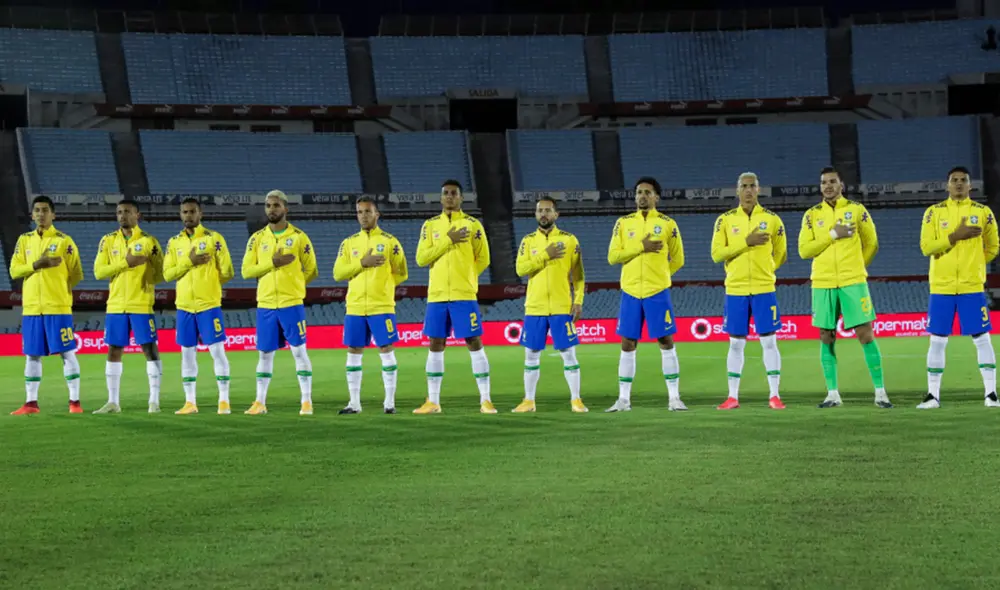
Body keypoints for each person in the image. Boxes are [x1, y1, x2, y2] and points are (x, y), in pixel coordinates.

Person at [799, 166, 892, 409]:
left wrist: (857, 267)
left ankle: (881, 393)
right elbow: (804, 250)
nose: (827, 186)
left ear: (842, 185)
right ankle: (832, 394)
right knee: (826, 336)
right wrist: (832, 234)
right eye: (823, 182)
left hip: (853, 282)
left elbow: (872, 243)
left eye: (832, 181)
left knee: (865, 334)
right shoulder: (811, 215)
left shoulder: (857, 210)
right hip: (823, 282)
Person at [918, 166, 999, 408]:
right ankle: (933, 395)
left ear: (970, 185)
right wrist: (954, 237)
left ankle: (991, 394)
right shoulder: (933, 213)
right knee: (937, 340)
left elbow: (993, 246)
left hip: (971, 286)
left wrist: (974, 264)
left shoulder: (983, 212)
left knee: (982, 338)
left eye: (964, 180)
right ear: (947, 185)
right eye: (954, 180)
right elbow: (926, 247)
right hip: (942, 286)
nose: (959, 184)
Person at [606, 177, 687, 412]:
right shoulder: (623, 224)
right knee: (627, 343)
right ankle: (623, 400)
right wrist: (640, 246)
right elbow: (613, 257)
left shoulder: (668, 224)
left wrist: (660, 276)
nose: (642, 196)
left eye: (647, 192)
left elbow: (678, 259)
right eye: (639, 192)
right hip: (631, 291)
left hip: (656, 291)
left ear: (656, 197)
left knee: (665, 340)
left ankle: (674, 398)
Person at [413, 179, 494, 414]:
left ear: (461, 198)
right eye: (446, 193)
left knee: (473, 341)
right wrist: (447, 240)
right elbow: (421, 258)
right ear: (441, 198)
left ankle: (486, 400)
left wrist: (467, 277)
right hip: (437, 295)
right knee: (435, 343)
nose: (449, 197)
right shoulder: (429, 226)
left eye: (454, 193)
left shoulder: (473, 225)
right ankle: (433, 402)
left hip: (463, 294)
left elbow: (484, 258)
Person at [710, 173, 787, 410]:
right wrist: (746, 241)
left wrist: (766, 271)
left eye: (752, 186)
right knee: (735, 344)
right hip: (736, 289)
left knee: (769, 342)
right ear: (737, 190)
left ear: (759, 189)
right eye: (744, 186)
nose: (748, 190)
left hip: (764, 288)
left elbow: (781, 254)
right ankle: (732, 396)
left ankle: (774, 395)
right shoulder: (724, 220)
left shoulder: (773, 220)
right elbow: (716, 254)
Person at [241, 190, 318, 415]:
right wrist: (272, 264)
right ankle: (260, 402)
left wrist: (294, 285)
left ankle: (306, 401)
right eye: (268, 206)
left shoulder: (299, 237)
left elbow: (312, 270)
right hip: (266, 304)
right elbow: (246, 271)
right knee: (264, 354)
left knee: (299, 352)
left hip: (291, 303)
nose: (271, 210)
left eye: (275, 205)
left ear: (285, 208)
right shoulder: (256, 239)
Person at [9, 195, 84, 415]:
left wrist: (59, 289)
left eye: (45, 210)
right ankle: (31, 403)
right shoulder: (24, 240)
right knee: (32, 354)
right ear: (32, 215)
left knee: (67, 353)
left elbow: (76, 273)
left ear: (53, 214)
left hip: (57, 307)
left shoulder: (64, 241)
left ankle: (75, 403)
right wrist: (36, 264)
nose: (41, 214)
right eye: (37, 210)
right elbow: (14, 271)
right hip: (32, 308)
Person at [333, 196, 408, 414]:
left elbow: (401, 272)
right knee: (354, 351)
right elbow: (338, 273)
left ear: (377, 214)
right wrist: (361, 264)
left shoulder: (390, 242)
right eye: (359, 212)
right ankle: (354, 403)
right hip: (355, 307)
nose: (363, 216)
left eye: (367, 211)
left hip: (381, 306)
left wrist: (383, 287)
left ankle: (389, 402)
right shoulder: (348, 243)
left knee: (386, 349)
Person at [513, 197, 588, 413]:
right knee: (531, 355)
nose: (543, 214)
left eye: (548, 210)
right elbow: (520, 270)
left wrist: (578, 300)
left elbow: (579, 275)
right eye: (540, 211)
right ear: (535, 215)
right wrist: (546, 255)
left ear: (556, 214)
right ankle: (529, 401)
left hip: (561, 307)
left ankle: (576, 399)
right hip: (535, 307)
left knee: (568, 353)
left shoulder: (570, 240)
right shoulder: (528, 241)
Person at [162, 198, 235, 415]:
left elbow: (228, 271)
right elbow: (167, 275)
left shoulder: (214, 239)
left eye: (192, 211)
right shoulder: (174, 242)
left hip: (208, 305)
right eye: (184, 212)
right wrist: (190, 262)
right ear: (180, 214)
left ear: (200, 213)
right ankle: (190, 402)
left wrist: (210, 285)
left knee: (217, 352)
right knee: (187, 354)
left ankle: (224, 400)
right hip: (184, 306)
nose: (188, 215)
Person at [92, 199, 165, 414]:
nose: (123, 216)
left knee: (149, 349)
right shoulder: (107, 241)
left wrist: (145, 280)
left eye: (127, 212)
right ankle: (113, 402)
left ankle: (154, 401)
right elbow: (98, 272)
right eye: (119, 212)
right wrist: (126, 263)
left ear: (137, 215)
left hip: (141, 303)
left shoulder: (149, 241)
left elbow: (162, 272)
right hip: (115, 305)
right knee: (114, 350)